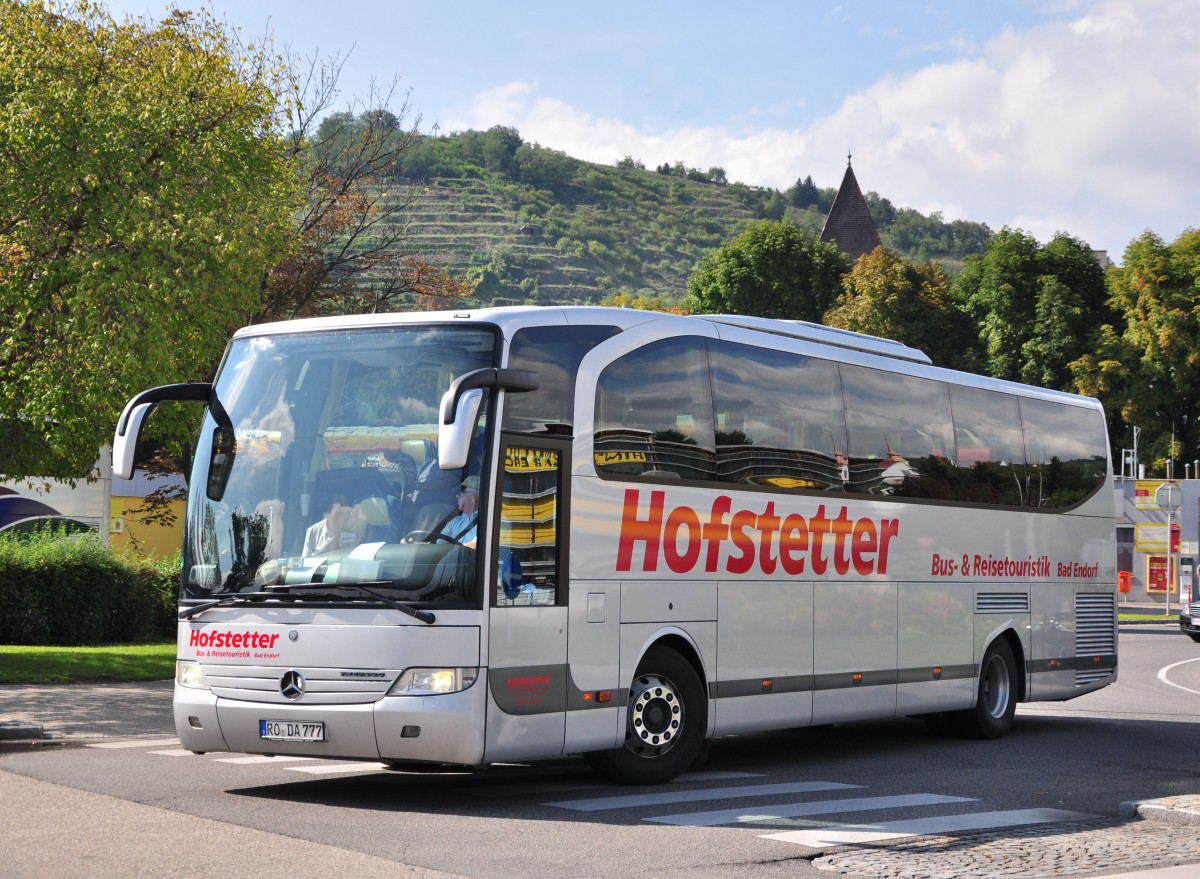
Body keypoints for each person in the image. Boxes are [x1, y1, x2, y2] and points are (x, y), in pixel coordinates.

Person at [435, 475, 480, 547]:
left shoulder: (487, 523)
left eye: (460, 493)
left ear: (473, 496)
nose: (457, 496)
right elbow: (439, 546)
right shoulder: (454, 522)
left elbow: (475, 547)